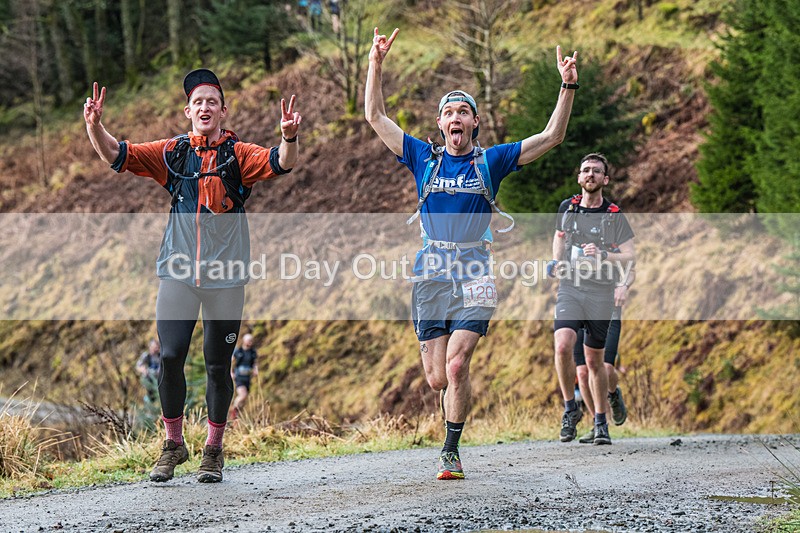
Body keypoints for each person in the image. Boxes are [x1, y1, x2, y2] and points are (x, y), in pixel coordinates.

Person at [366, 27, 578, 480]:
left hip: (475, 272)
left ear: (475, 123)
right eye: (449, 112)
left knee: (458, 364)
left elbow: (552, 136)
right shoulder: (422, 158)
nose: (456, 117)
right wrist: (375, 63)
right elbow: (375, 116)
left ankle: (451, 450)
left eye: (464, 111)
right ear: (440, 125)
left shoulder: (491, 161)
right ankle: (448, 415)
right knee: (436, 378)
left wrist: (567, 86)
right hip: (430, 274)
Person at [84, 69, 301, 483]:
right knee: (169, 356)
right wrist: (95, 126)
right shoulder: (173, 153)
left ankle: (213, 451)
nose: (205, 107)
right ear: (188, 111)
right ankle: (173, 444)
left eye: (211, 102)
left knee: (218, 366)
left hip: (225, 278)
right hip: (178, 272)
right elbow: (117, 155)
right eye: (197, 102)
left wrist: (289, 137)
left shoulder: (238, 155)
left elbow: (280, 163)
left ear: (223, 111)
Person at [548, 153, 635, 446]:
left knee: (596, 364)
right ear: (579, 177)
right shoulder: (568, 208)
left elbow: (630, 256)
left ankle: (601, 422)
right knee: (563, 345)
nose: (590, 174)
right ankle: (570, 409)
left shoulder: (613, 214)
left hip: (601, 293)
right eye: (586, 170)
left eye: (596, 171)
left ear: (605, 179)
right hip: (571, 288)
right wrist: (556, 261)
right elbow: (560, 236)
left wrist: (603, 255)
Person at [572, 266, 635, 443]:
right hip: (579, 308)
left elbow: (631, 268)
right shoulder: (570, 248)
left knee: (606, 368)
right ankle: (598, 423)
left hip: (607, 308)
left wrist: (623, 286)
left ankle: (613, 394)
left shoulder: (610, 248)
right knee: (582, 373)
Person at [230, 333, 258, 419]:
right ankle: (234, 410)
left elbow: (255, 363)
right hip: (239, 376)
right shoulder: (238, 351)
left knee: (245, 398)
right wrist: (231, 372)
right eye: (249, 340)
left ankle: (237, 414)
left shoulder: (253, 352)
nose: (250, 342)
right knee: (243, 395)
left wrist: (255, 370)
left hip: (247, 377)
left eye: (251, 340)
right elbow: (232, 362)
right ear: (244, 341)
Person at [136, 338, 162, 403]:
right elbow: (138, 366)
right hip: (150, 377)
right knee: (144, 379)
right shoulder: (146, 355)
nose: (156, 349)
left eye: (157, 347)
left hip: (159, 377)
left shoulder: (160, 356)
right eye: (154, 347)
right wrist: (143, 370)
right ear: (150, 347)